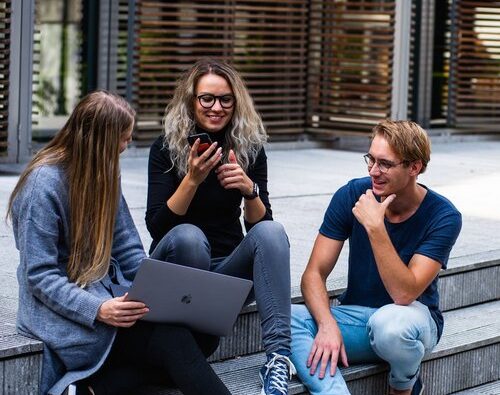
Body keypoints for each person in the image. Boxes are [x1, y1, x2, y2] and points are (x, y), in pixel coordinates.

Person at [7, 91, 232, 395]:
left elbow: (128, 248)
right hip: (64, 313)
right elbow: (40, 276)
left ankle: (97, 387)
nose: (127, 145)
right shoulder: (42, 186)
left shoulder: (103, 172)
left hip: (109, 296)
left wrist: (156, 291)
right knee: (173, 341)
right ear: (98, 140)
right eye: (123, 139)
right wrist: (98, 309)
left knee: (204, 338)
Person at [146, 58, 295, 395]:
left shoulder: (248, 147)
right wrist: (193, 179)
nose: (217, 107)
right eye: (207, 98)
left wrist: (249, 190)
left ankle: (278, 360)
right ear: (191, 101)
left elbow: (261, 226)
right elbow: (157, 227)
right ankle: (187, 344)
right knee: (189, 236)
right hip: (178, 268)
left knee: (272, 233)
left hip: (226, 274)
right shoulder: (166, 148)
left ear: (236, 101)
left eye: (225, 99)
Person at [290, 120, 462, 395]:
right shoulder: (351, 194)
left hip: (411, 323)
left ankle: (403, 384)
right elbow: (313, 274)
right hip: (358, 318)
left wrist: (375, 227)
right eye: (370, 159)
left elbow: (404, 294)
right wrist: (326, 325)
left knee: (390, 325)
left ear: (414, 167)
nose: (373, 171)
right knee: (288, 318)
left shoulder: (443, 216)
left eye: (385, 164)